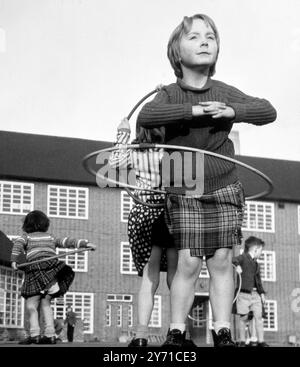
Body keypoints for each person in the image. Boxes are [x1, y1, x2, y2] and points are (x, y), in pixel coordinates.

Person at [137, 14, 277, 347]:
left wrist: (233, 111)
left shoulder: (223, 91)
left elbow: (267, 110)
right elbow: (147, 117)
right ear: (176, 51)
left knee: (222, 259)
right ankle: (175, 331)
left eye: (210, 37)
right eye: (194, 36)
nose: (204, 41)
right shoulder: (169, 94)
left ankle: (222, 330)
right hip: (183, 184)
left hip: (224, 184)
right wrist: (194, 111)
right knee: (187, 259)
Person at [109, 117, 179, 347]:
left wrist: (122, 134)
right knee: (175, 276)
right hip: (167, 212)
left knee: (149, 277)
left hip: (142, 213)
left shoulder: (132, 152)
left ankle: (140, 336)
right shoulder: (170, 151)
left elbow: (114, 162)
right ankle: (177, 333)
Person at [11, 210, 96, 344]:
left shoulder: (26, 237)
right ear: (45, 224)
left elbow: (17, 245)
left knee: (31, 305)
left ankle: (35, 334)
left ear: (27, 225)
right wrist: (85, 243)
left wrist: (14, 261)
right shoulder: (50, 237)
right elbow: (66, 241)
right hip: (51, 273)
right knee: (46, 303)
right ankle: (50, 335)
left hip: (35, 271)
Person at [233, 236, 269, 347]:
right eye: (261, 250)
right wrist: (237, 266)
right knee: (243, 318)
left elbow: (258, 280)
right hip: (243, 293)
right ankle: (242, 341)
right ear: (256, 249)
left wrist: (262, 293)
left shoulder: (256, 264)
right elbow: (234, 260)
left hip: (256, 294)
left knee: (258, 317)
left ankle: (261, 341)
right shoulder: (243, 257)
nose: (261, 253)